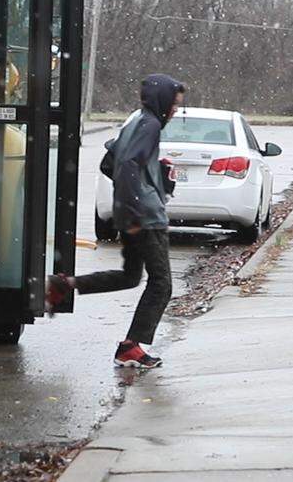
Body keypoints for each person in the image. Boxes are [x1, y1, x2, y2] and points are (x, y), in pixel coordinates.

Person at [47, 74, 185, 369]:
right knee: (161, 284)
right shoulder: (149, 126)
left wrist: (153, 175)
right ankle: (130, 346)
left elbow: (111, 162)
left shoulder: (137, 120)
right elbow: (125, 167)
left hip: (136, 214)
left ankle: (65, 285)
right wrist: (136, 210)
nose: (175, 110)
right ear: (161, 100)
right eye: (173, 104)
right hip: (145, 218)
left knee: (131, 277)